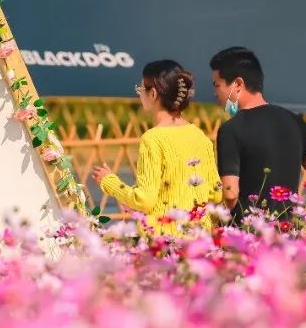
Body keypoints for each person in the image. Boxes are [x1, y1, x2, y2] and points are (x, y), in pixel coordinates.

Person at [93, 60, 221, 234]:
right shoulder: (199, 136)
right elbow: (216, 193)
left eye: (141, 89)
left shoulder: (153, 139)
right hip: (199, 237)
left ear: (153, 94)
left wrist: (109, 182)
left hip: (165, 239)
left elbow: (144, 200)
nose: (140, 95)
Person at [209, 46, 306, 219]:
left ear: (237, 84)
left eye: (217, 85)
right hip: (287, 231)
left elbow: (230, 194)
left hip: (247, 232)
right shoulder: (294, 121)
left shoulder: (231, 130)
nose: (215, 93)